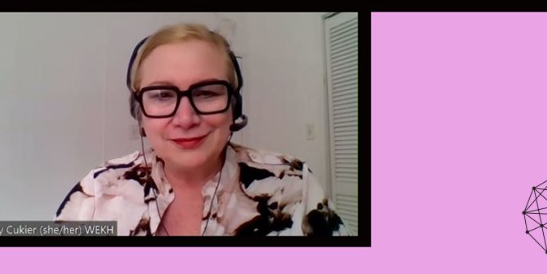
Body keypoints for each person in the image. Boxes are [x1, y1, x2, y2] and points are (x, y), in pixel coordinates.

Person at [55, 24, 350, 236]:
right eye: (162, 95)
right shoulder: (98, 190)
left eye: (207, 93)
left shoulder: (293, 184)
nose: (185, 118)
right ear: (139, 112)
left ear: (234, 105)